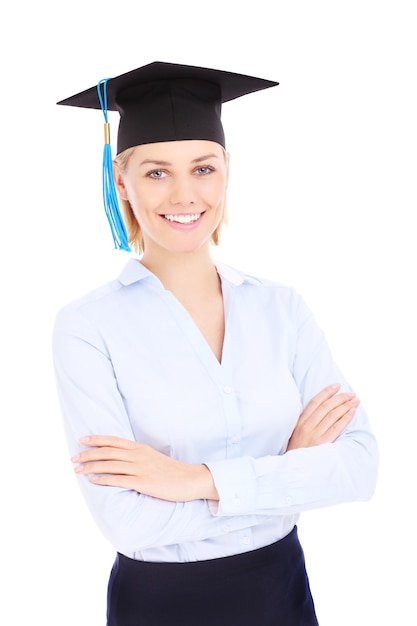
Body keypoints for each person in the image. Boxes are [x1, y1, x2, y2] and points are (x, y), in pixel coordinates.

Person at [52, 61, 378, 626]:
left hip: (283, 590)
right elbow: (129, 524)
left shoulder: (282, 308)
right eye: (157, 173)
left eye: (203, 168)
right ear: (121, 181)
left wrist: (191, 482)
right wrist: (287, 473)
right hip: (161, 603)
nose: (184, 193)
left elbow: (359, 468)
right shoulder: (88, 327)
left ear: (226, 172)